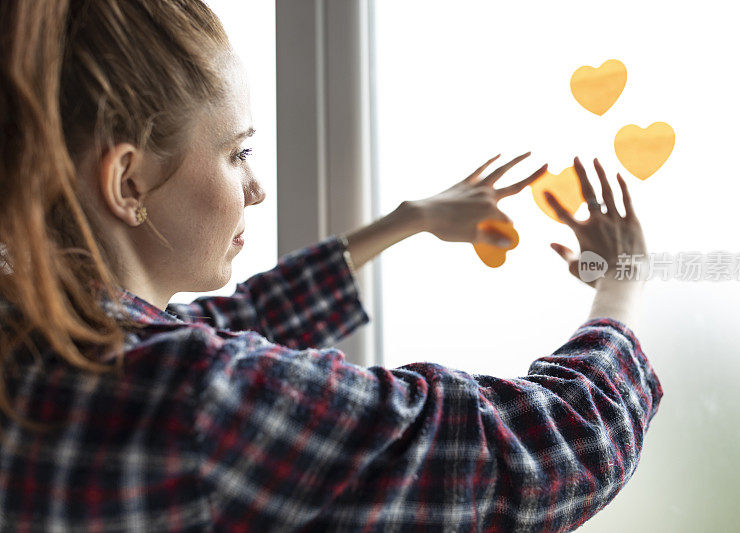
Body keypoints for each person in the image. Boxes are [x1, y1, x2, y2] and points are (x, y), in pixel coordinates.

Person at [0, 0, 662, 531]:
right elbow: (547, 450)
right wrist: (620, 288)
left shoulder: (36, 336)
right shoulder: (193, 404)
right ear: (128, 183)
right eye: (239, 152)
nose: (257, 188)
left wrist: (408, 220)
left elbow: (227, 326)